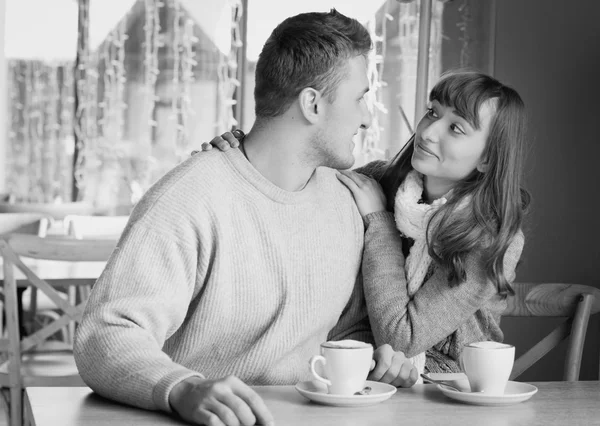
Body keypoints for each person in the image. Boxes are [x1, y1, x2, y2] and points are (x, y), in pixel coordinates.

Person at [73, 9, 417, 426]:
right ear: (312, 104)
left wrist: (376, 365)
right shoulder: (193, 195)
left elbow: (346, 335)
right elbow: (105, 333)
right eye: (360, 97)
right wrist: (181, 388)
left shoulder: (348, 202)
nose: (366, 117)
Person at [207, 70, 530, 378]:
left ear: (488, 158)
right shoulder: (380, 182)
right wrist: (242, 155)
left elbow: (403, 338)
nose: (428, 132)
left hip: (449, 384)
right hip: (359, 366)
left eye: (456, 128)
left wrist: (381, 224)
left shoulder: (491, 236)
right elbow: (294, 185)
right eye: (432, 112)